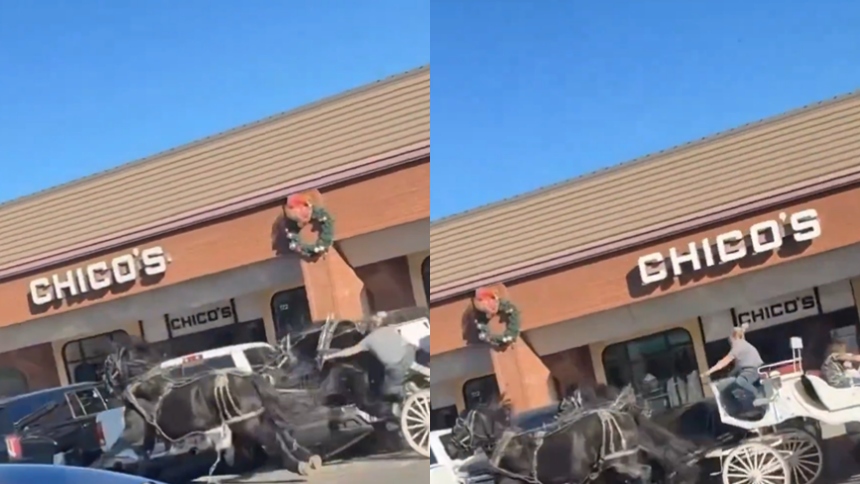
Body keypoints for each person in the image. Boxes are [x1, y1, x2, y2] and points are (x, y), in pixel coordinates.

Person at [319, 312, 419, 414]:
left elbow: (349, 351)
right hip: (409, 356)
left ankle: (405, 394)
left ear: (370, 327)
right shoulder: (390, 329)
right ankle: (409, 388)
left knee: (386, 391)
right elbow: (406, 342)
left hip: (395, 367)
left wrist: (330, 356)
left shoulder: (368, 341)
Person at [702, 324, 763, 413]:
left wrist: (708, 372)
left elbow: (723, 363)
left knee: (740, 381)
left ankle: (757, 395)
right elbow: (738, 367)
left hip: (753, 369)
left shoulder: (737, 347)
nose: (730, 342)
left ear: (734, 338)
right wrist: (730, 374)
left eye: (730, 339)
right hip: (754, 368)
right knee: (737, 380)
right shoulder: (743, 343)